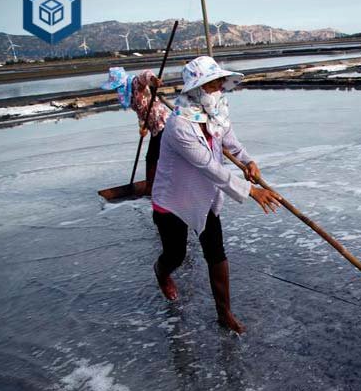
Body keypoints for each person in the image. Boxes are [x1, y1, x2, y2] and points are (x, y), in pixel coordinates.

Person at [151, 56, 282, 334]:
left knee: (217, 254)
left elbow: (231, 143)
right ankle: (161, 272)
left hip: (204, 196)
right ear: (196, 89)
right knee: (176, 255)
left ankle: (224, 314)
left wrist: (247, 161)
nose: (219, 89)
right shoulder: (178, 126)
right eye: (212, 85)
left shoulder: (217, 114)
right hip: (173, 198)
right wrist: (251, 191)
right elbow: (208, 166)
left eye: (219, 83)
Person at [101, 67, 171, 192]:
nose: (118, 89)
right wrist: (142, 126)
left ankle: (153, 186)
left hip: (162, 122)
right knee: (152, 156)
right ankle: (152, 185)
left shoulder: (135, 83)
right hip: (154, 127)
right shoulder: (131, 94)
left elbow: (145, 74)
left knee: (154, 156)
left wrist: (154, 80)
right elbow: (141, 112)